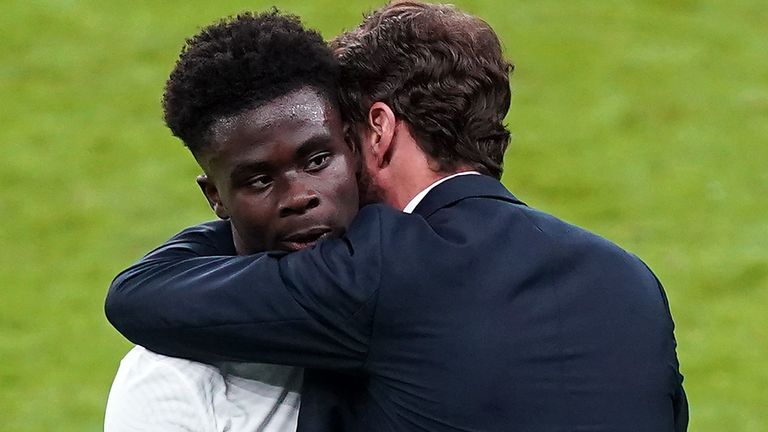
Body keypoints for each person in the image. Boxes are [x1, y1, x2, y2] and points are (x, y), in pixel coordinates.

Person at [106, 2, 688, 431]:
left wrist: (246, 213)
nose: (307, 192)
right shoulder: (631, 279)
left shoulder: (382, 261)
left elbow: (138, 297)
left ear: (378, 130)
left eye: (329, 151)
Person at [103, 11, 359, 431]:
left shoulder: (422, 275)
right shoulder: (167, 378)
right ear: (215, 196)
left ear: (354, 146)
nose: (299, 197)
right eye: (259, 181)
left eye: (317, 160)